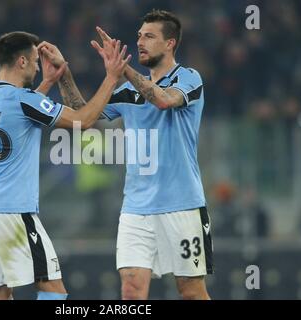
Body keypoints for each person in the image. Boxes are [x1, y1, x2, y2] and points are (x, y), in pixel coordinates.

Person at [0, 31, 130, 300]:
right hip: (11, 211)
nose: (37, 66)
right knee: (53, 290)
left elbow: (19, 115)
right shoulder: (23, 101)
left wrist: (49, 82)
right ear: (21, 62)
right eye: (34, 61)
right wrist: (111, 77)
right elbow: (83, 121)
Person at [91, 10, 213, 300]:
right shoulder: (127, 91)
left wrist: (125, 72)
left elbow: (162, 99)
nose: (140, 42)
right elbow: (85, 113)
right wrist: (62, 74)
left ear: (170, 43)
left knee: (191, 292)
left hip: (182, 206)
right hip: (136, 209)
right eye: (138, 36)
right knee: (131, 291)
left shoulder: (189, 78)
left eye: (149, 36)